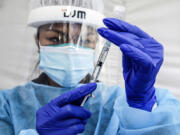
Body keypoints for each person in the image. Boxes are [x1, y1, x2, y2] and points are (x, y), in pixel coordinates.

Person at [0, 0, 180, 135]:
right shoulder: (6, 105)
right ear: (38, 42)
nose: (71, 50)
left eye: (85, 40)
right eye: (55, 39)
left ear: (96, 45)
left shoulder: (120, 103)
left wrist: (141, 108)